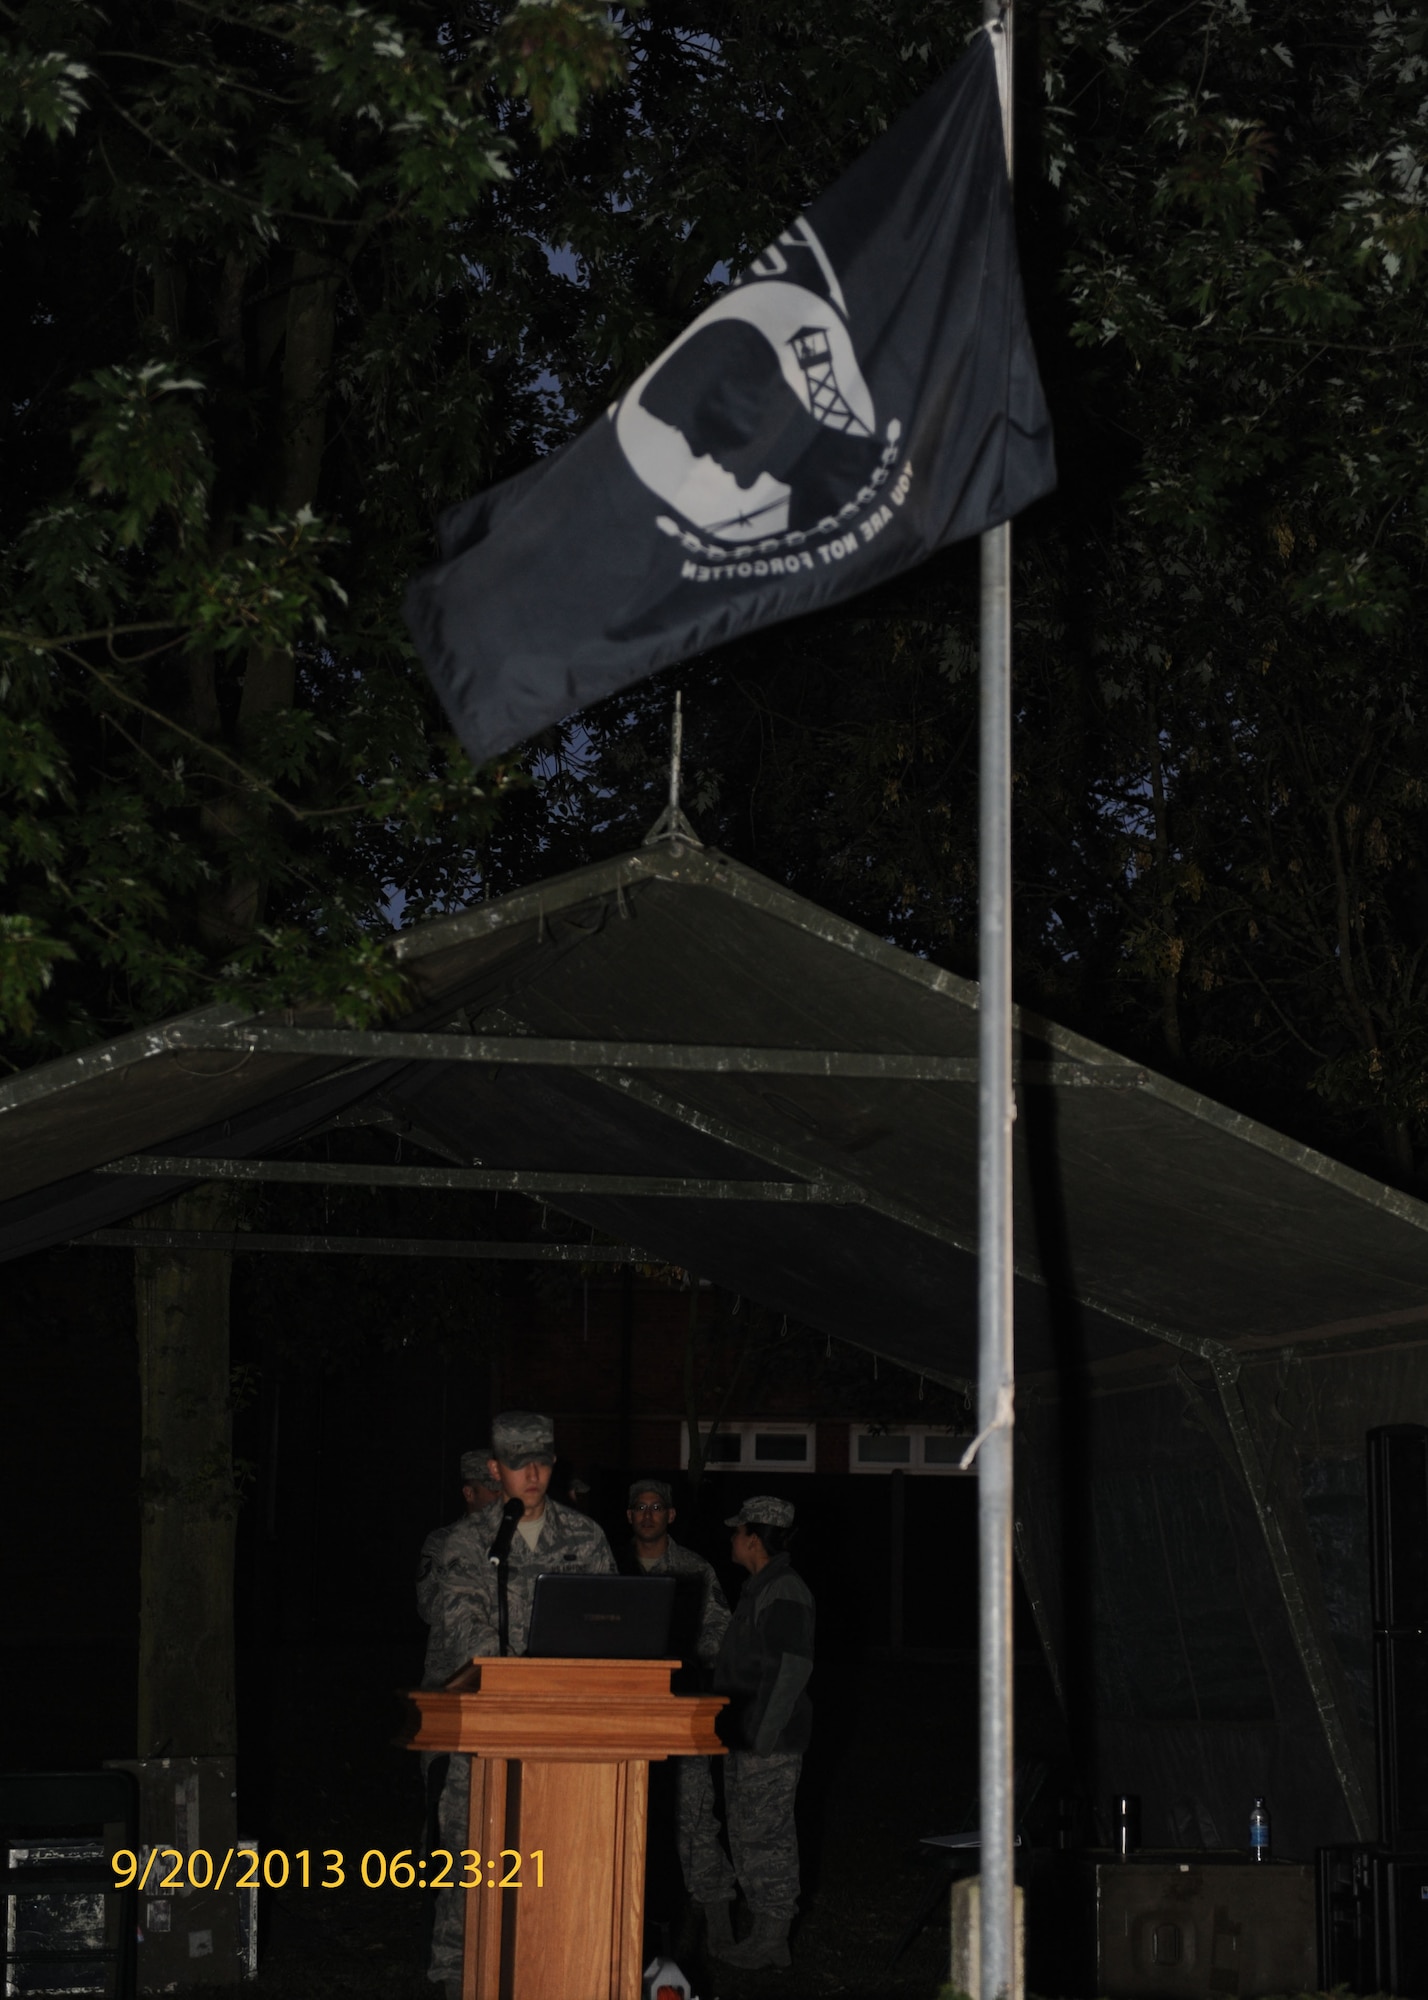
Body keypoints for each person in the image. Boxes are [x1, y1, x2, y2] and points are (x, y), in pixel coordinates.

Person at [423, 1411, 615, 1997]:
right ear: (494, 1469)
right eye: (518, 1464)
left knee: (555, 1862)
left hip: (564, 1740)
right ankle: (458, 1976)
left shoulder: (586, 1537)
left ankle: (553, 1969)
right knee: (470, 1861)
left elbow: (613, 1626)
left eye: (543, 1462)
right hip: (486, 1733)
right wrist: (528, 1681)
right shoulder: (467, 1541)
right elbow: (465, 1630)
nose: (532, 1475)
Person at [619, 1479, 735, 1933]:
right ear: (629, 1516)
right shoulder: (608, 1565)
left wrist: (682, 1657)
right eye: (640, 1507)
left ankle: (716, 1915)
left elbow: (720, 1629)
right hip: (624, 1714)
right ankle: (633, 1913)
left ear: (671, 1515)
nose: (648, 1515)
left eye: (656, 1507)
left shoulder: (694, 1568)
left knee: (694, 1811)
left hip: (681, 1708)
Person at [709, 1496, 814, 1972]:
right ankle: (763, 1936)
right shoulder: (760, 1588)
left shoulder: (784, 1590)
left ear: (753, 1538)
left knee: (768, 1838)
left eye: (737, 1531)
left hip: (766, 1744)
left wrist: (761, 1740)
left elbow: (790, 1669)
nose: (731, 1539)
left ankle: (772, 1940)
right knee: (749, 1835)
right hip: (747, 1738)